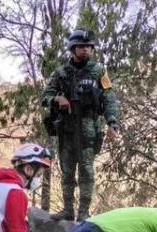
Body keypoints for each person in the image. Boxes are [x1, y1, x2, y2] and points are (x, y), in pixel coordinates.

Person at [41, 28, 119, 221]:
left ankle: (83, 212)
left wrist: (112, 122)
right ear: (73, 48)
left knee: (87, 171)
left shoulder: (98, 71)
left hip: (88, 128)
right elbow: (45, 96)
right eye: (82, 46)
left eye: (89, 47)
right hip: (66, 128)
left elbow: (109, 96)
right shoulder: (61, 73)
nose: (86, 49)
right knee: (67, 171)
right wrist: (58, 99)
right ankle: (68, 210)